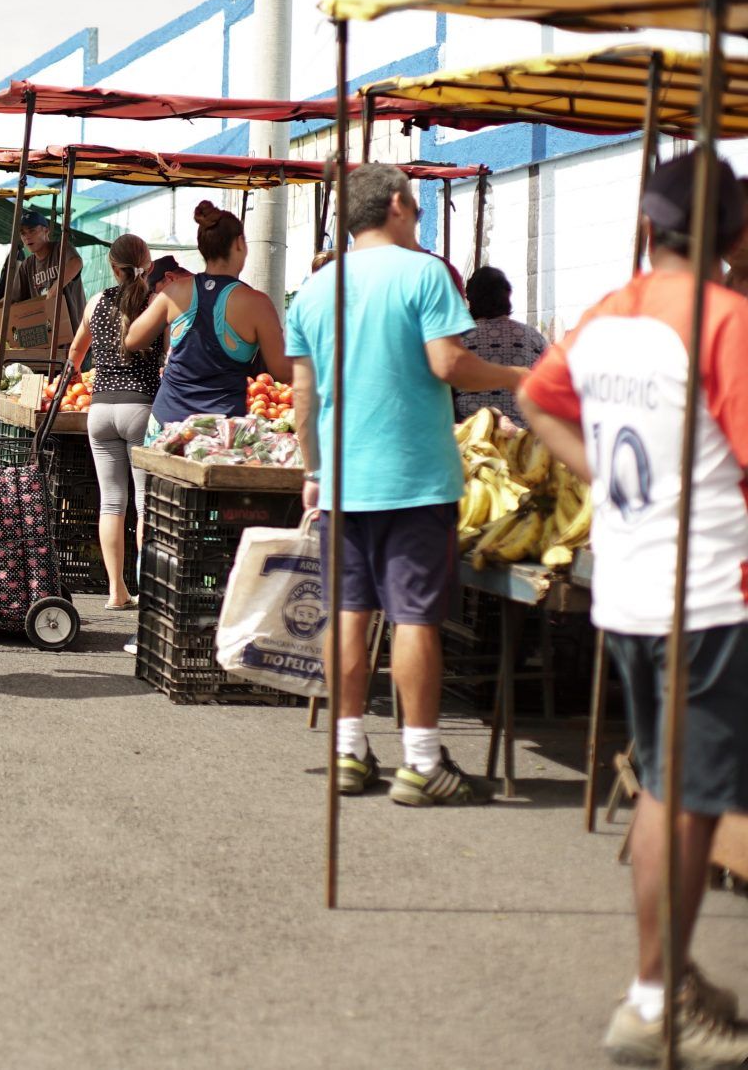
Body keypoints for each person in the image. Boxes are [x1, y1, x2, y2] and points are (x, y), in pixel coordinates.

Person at [518, 152, 748, 1065]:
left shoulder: (610, 313)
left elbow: (538, 401)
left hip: (630, 587)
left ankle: (669, 985)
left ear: (649, 229)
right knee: (688, 799)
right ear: (734, 237)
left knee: (666, 788)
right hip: (711, 593)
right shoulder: (726, 322)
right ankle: (656, 1002)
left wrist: (613, 486)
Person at [285, 162, 529, 808]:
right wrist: (518, 379)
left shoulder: (313, 289)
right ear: (396, 204)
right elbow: (447, 363)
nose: (417, 217)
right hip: (415, 478)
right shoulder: (425, 273)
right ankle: (421, 760)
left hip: (342, 479)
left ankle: (347, 750)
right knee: (415, 618)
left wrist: (313, 472)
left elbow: (302, 397)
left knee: (350, 614)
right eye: (416, 207)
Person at [126, 201, 292, 436]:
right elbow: (283, 372)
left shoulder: (174, 292)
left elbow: (133, 340)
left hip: (166, 428)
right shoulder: (257, 304)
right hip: (217, 436)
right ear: (239, 244)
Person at [67, 233, 162, 614]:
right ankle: (150, 591)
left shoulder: (95, 302)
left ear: (111, 266)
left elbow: (76, 352)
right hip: (141, 407)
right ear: (148, 265)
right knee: (145, 504)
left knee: (112, 503)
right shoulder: (155, 305)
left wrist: (74, 377)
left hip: (100, 409)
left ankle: (115, 590)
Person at [454, 266, 549, 422]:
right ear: (507, 296)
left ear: (469, 299)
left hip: (472, 435)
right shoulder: (534, 338)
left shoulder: (457, 341)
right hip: (523, 438)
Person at [5, 210, 85, 330]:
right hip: (46, 333)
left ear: (46, 230)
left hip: (74, 331)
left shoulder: (61, 249)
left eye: (32, 230)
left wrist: (54, 290)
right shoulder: (27, 265)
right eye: (23, 233)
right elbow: (14, 297)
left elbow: (76, 262)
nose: (27, 236)